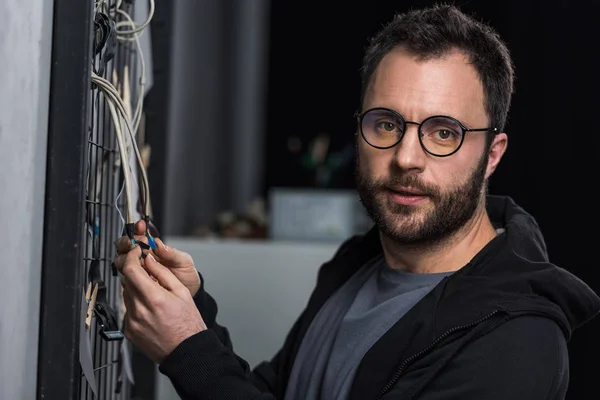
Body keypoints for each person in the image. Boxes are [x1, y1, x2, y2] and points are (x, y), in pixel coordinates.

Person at [114, 4, 600, 399]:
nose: (406, 157)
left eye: (444, 133)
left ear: (492, 156)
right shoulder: (360, 262)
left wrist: (188, 351)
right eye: (387, 124)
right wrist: (193, 313)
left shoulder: (514, 344)